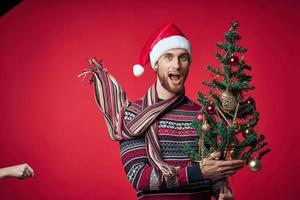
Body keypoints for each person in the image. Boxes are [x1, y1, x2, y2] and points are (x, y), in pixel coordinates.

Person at [79, 22, 244, 200]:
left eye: (183, 57)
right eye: (169, 57)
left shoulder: (202, 114)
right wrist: (198, 172)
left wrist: (222, 190)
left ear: (189, 64)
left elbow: (213, 170)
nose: (177, 65)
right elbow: (139, 177)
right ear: (156, 64)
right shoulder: (134, 117)